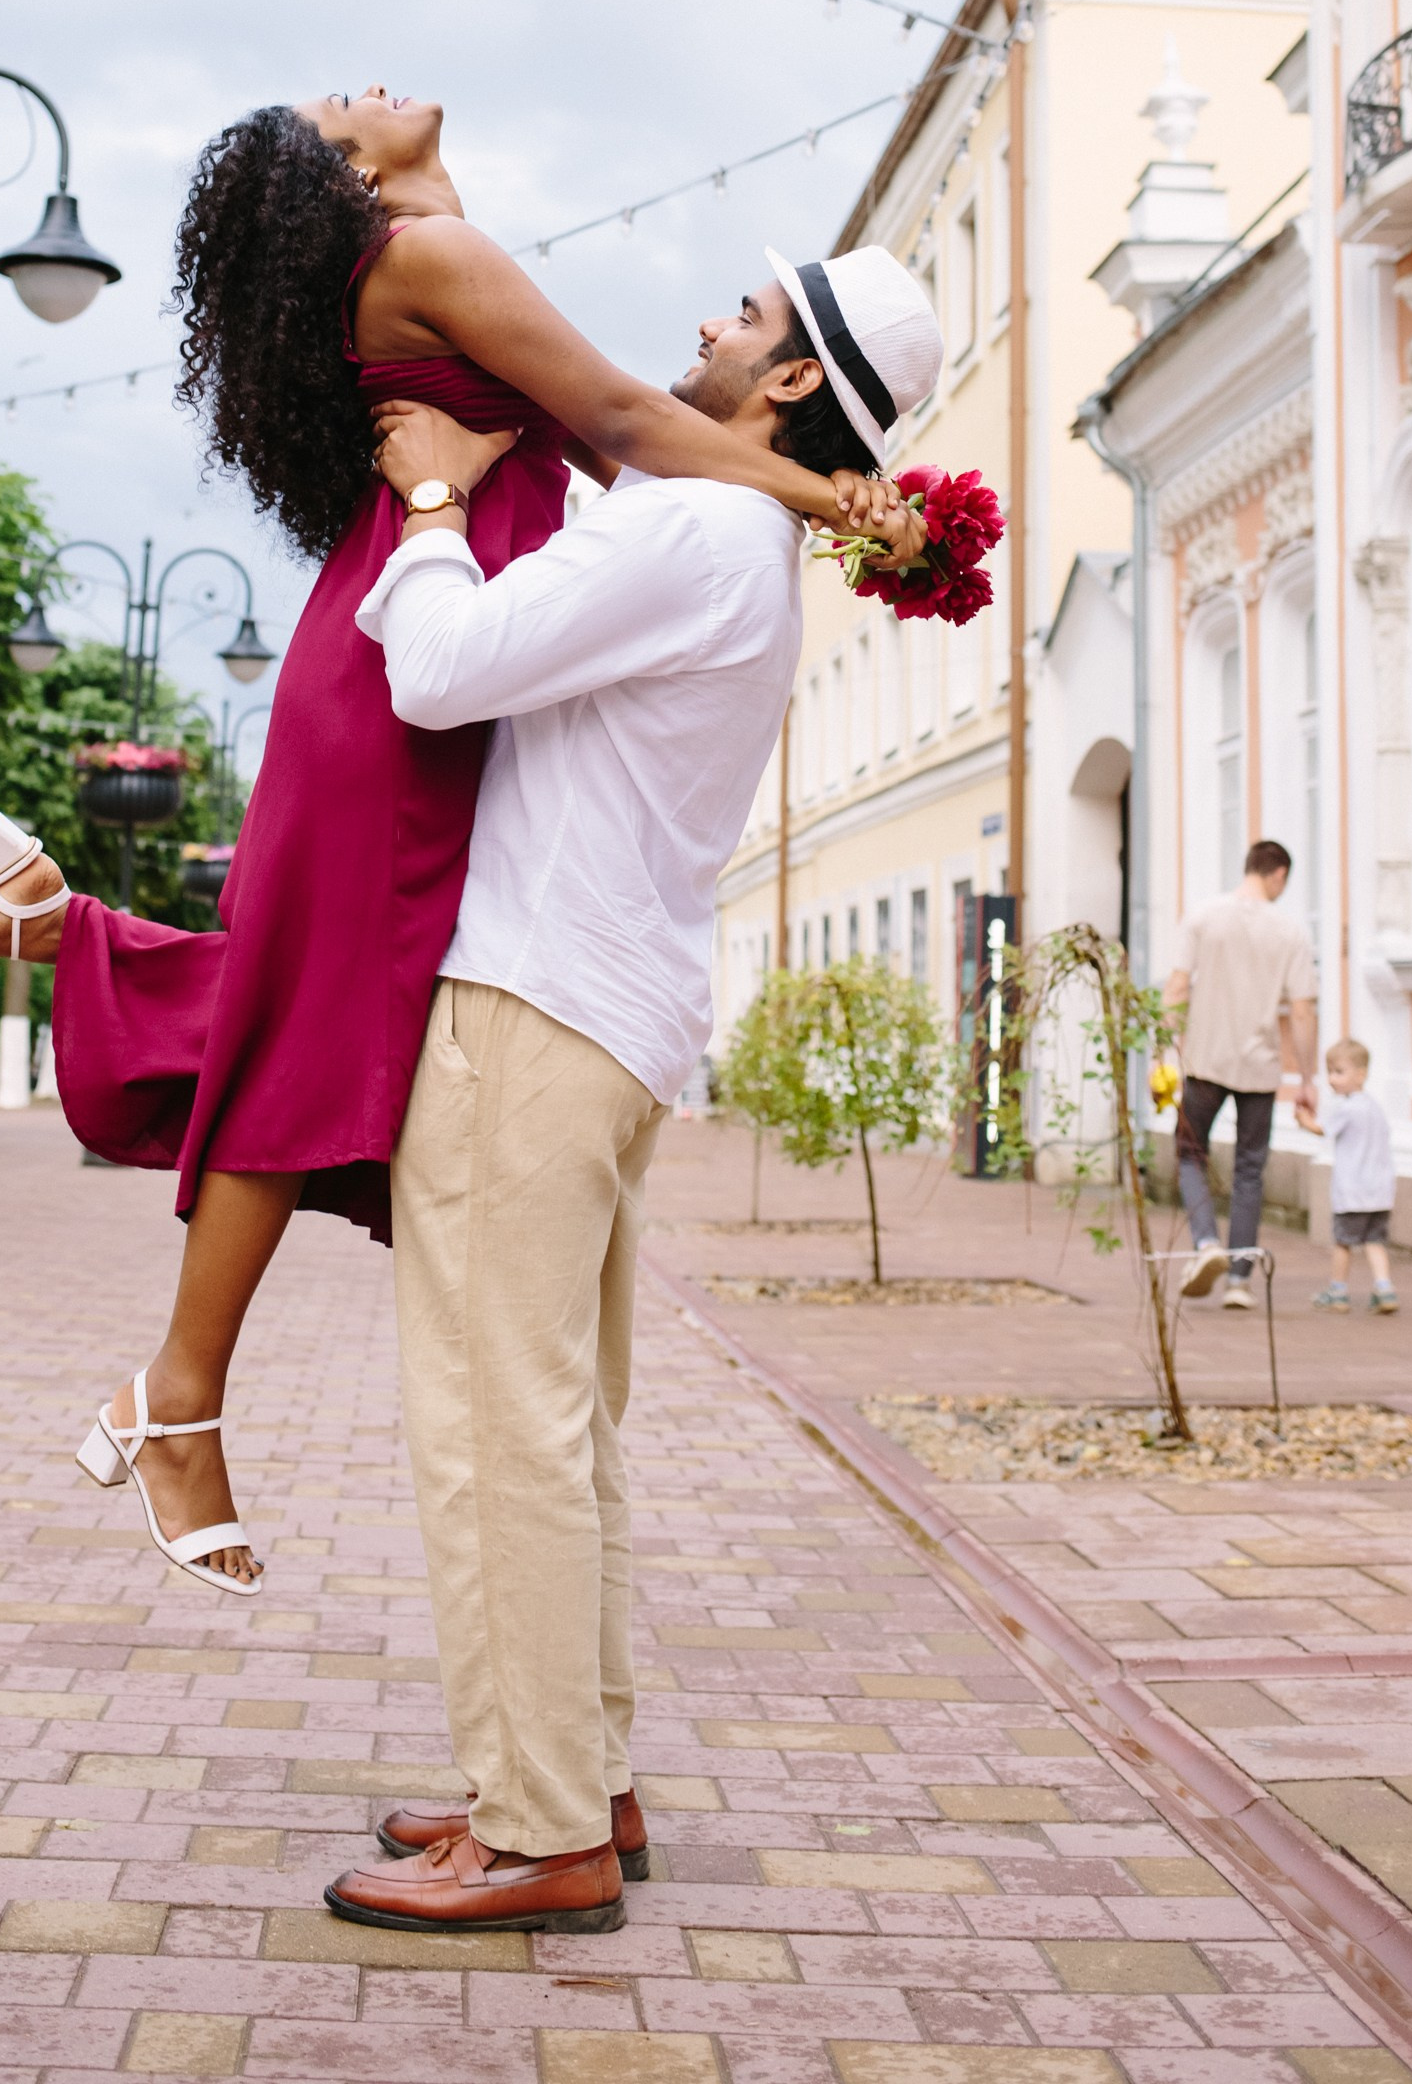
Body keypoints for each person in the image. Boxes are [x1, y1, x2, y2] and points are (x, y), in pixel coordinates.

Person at [0, 90, 902, 1592]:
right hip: (410, 673)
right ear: (356, 171)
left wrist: (758, 515)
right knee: (324, 1022)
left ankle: (53, 936)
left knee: (326, 1004)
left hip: (418, 646)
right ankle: (179, 1391)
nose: (357, 89)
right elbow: (620, 422)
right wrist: (847, 511)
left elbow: (620, 459)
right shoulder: (437, 251)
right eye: (335, 106)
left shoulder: (431, 257)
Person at [321, 240, 944, 1937]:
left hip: (533, 1008)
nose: (706, 328)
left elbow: (439, 670)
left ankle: (538, 1830)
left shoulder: (701, 526)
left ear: (796, 382)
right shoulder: (737, 535)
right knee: (559, 1422)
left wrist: (434, 507)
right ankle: (570, 1777)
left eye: (744, 319)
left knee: (490, 1421)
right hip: (607, 1013)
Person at [1162, 837, 1317, 1310]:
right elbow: (1304, 1010)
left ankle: (1206, 1241)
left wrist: (1164, 1051)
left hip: (1205, 1061)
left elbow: (1177, 985)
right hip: (1260, 1066)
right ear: (1278, 875)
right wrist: (1307, 1079)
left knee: (1190, 1153)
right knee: (1250, 1170)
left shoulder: (1204, 917)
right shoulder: (1290, 932)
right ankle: (1238, 1280)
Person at [1296, 1038, 1398, 1314]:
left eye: (1339, 1072)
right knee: (1375, 1241)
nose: (1331, 1079)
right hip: (1380, 1191)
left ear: (1360, 1074)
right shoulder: (1374, 1107)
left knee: (1343, 1242)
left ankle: (1338, 1290)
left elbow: (1322, 1130)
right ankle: (1384, 1287)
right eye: (1330, 1071)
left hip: (1352, 1191)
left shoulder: (1347, 1108)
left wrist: (1305, 1122)